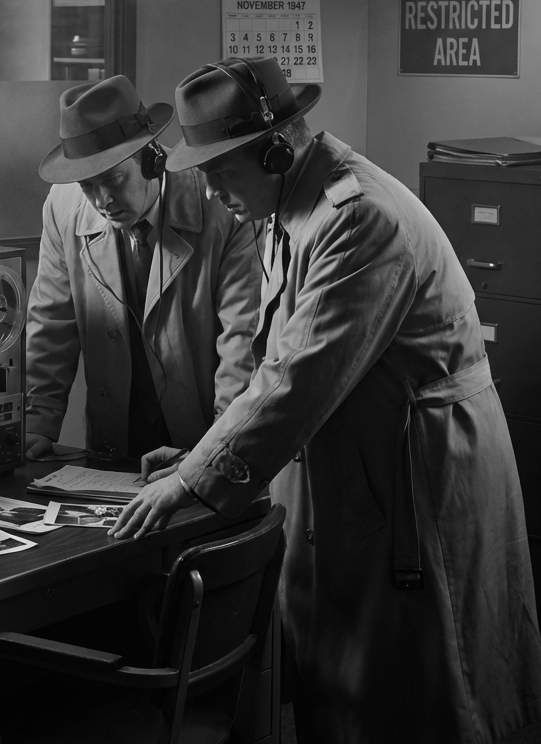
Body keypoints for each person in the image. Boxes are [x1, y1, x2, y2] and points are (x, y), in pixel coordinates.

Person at [111, 56, 541, 742]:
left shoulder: (358, 218)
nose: (215, 191)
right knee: (353, 692)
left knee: (430, 693)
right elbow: (275, 361)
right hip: (366, 468)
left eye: (220, 170)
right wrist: (204, 451)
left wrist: (193, 482)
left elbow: (297, 379)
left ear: (276, 150)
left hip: (418, 479)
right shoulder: (288, 206)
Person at [25, 74, 262, 461]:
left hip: (202, 432)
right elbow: (52, 321)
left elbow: (242, 339)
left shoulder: (223, 208)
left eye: (113, 179)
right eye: (87, 185)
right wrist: (38, 421)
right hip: (114, 433)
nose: (102, 200)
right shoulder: (63, 206)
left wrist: (219, 453)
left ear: (154, 159)